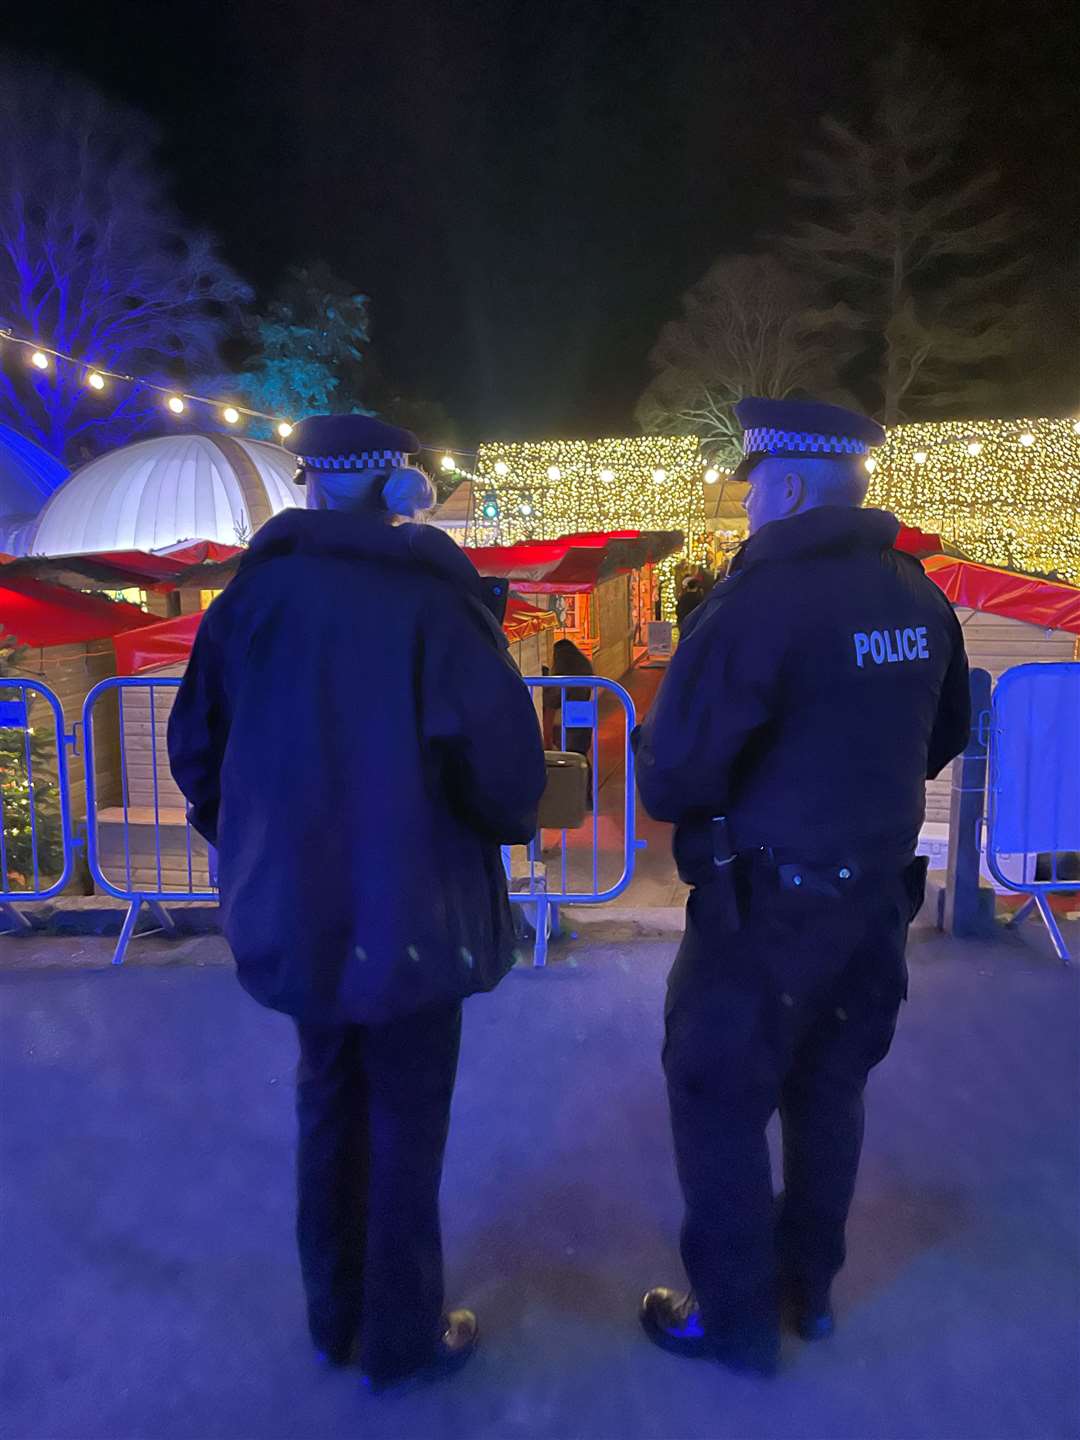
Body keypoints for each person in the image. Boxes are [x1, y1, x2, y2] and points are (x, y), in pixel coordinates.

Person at [168, 415, 547, 1390]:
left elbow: (197, 758)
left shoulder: (249, 602)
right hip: (416, 917)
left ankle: (332, 1319)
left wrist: (266, 849)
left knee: (327, 1100)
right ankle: (403, 1337)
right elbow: (508, 779)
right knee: (407, 1124)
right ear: (399, 488)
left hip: (297, 913)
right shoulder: (433, 604)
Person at [634, 397, 971, 1376]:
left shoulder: (756, 604)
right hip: (872, 903)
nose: (745, 512)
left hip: (764, 908)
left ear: (783, 485)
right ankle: (808, 1293)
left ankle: (733, 1320)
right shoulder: (916, 593)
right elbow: (942, 735)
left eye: (750, 491)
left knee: (717, 1096)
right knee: (830, 1090)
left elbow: (674, 775)